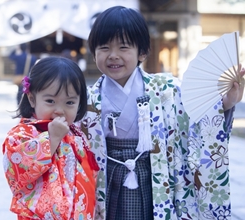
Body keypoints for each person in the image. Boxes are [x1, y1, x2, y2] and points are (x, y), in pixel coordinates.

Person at [80, 6, 245, 220]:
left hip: (155, 178)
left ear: (142, 52)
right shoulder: (87, 99)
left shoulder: (166, 88)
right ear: (94, 53)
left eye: (123, 47)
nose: (113, 56)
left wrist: (226, 102)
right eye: (104, 48)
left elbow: (196, 115)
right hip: (107, 179)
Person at [2, 56, 99, 219]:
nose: (59, 110)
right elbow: (17, 168)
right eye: (50, 101)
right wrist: (51, 139)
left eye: (69, 103)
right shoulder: (22, 134)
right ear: (32, 99)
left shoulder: (76, 134)